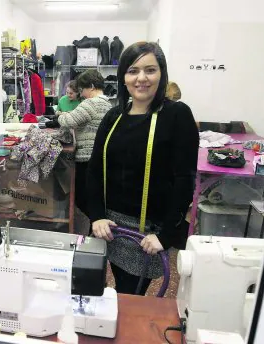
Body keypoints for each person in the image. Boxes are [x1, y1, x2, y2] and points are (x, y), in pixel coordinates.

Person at [86, 42, 199, 295]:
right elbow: (94, 170)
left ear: (162, 74)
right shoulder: (113, 116)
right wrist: (96, 216)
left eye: (150, 70)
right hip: (107, 227)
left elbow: (184, 180)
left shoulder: (177, 115)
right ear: (123, 77)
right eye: (133, 70)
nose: (141, 78)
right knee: (94, 288)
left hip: (147, 232)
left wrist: (167, 235)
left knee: (129, 295)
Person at [56, 69, 112, 221]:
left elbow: (68, 121)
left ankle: (98, 226)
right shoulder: (107, 104)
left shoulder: (91, 103)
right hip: (99, 156)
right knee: (93, 196)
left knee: (82, 198)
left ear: (92, 86)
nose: (81, 94)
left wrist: (60, 115)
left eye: (82, 90)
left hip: (87, 157)